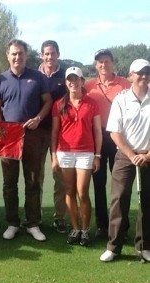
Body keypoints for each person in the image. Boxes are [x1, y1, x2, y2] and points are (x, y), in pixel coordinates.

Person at [0, 39, 51, 241]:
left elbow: (48, 101)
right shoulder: (0, 79)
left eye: (21, 54)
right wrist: (0, 131)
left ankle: (32, 223)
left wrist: (38, 118)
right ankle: (12, 222)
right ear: (8, 56)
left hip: (32, 135)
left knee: (33, 181)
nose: (17, 57)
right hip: (9, 137)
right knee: (9, 183)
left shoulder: (37, 77)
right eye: (14, 54)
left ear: (26, 55)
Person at [100, 59, 150, 262]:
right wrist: (131, 155)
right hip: (125, 156)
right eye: (139, 73)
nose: (144, 76)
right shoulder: (121, 99)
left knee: (147, 202)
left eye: (147, 72)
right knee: (119, 199)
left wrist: (146, 156)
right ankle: (114, 247)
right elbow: (114, 132)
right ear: (130, 76)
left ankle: (144, 246)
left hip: (148, 155)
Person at [51, 67, 102, 246]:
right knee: (69, 191)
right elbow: (55, 132)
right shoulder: (58, 104)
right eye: (69, 79)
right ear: (66, 83)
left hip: (86, 152)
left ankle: (86, 230)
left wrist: (98, 155)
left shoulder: (91, 103)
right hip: (64, 152)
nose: (73, 82)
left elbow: (97, 131)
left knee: (82, 192)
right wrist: (53, 156)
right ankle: (75, 228)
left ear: (82, 81)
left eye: (76, 79)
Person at [85, 49, 130, 239]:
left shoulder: (124, 84)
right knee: (99, 182)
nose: (103, 65)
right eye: (100, 62)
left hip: (119, 136)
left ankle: (121, 227)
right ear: (96, 65)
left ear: (113, 63)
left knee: (121, 184)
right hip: (97, 137)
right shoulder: (88, 85)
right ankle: (102, 226)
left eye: (107, 61)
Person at [38, 40, 67, 233]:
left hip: (61, 132)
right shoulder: (34, 74)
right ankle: (35, 216)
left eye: (53, 53)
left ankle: (59, 217)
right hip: (38, 131)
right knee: (36, 175)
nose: (49, 57)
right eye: (46, 54)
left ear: (58, 54)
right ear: (42, 55)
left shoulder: (66, 75)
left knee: (60, 176)